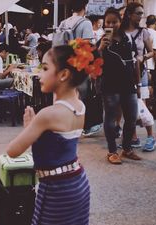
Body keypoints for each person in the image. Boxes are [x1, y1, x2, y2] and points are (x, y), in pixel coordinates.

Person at [7, 39, 103, 225]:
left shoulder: (47, 115)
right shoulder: (79, 105)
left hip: (56, 189)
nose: (39, 73)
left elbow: (13, 151)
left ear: (63, 75)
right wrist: (36, 128)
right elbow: (56, 141)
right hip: (77, 183)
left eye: (45, 67)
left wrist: (31, 127)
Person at [97, 8, 141, 164]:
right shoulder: (101, 41)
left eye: (114, 21)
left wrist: (139, 83)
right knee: (110, 118)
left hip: (128, 84)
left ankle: (127, 148)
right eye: (108, 22)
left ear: (120, 22)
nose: (111, 24)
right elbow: (96, 64)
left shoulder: (128, 38)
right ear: (104, 23)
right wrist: (101, 48)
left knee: (131, 118)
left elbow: (135, 61)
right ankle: (111, 151)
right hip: (109, 84)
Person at [60, 0, 104, 137]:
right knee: (82, 98)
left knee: (68, 97)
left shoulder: (64, 23)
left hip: (65, 65)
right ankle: (80, 128)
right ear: (85, 7)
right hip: (80, 66)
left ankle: (67, 126)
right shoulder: (85, 24)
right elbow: (88, 48)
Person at [121, 2, 156, 152]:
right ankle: (133, 137)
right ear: (129, 14)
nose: (141, 16)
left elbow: (152, 51)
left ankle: (151, 137)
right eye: (139, 13)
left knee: (142, 106)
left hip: (140, 72)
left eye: (142, 13)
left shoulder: (144, 32)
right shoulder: (120, 32)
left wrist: (143, 57)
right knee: (128, 108)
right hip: (123, 75)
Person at [146, 15, 156, 99]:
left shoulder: (143, 31)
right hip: (150, 65)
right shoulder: (155, 34)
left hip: (142, 63)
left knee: (145, 87)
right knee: (150, 87)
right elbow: (155, 51)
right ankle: (149, 107)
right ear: (155, 23)